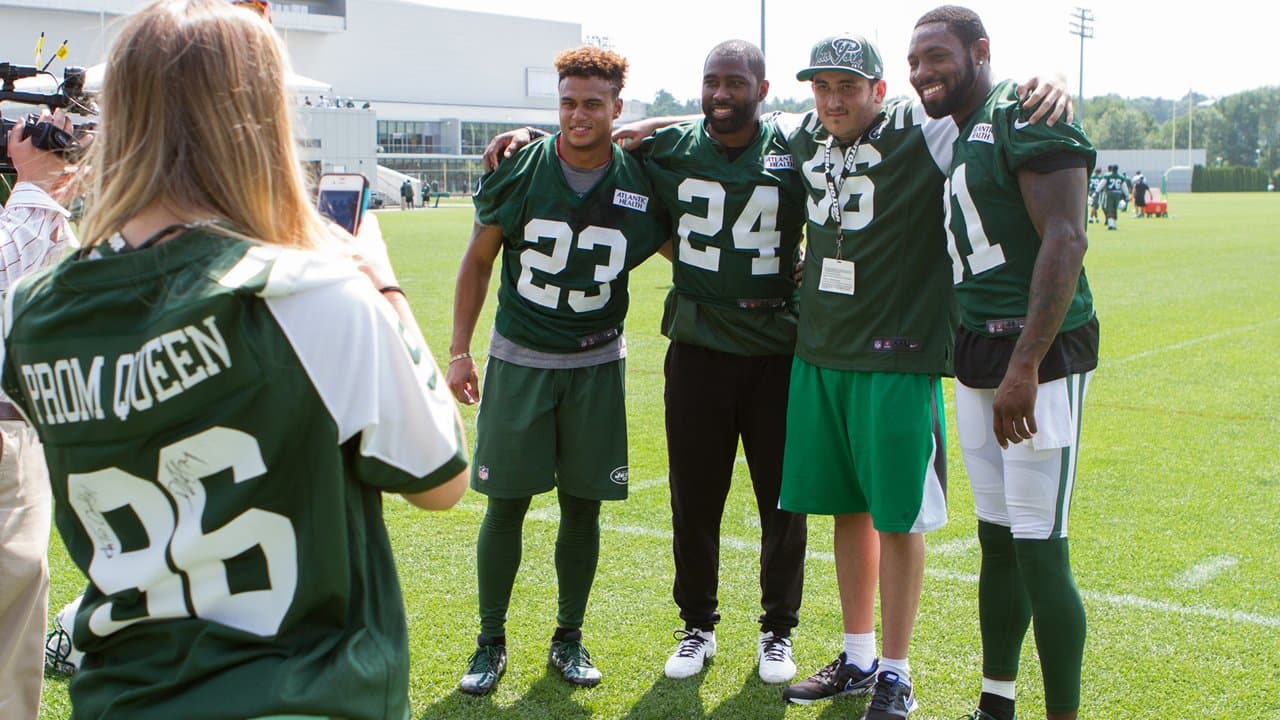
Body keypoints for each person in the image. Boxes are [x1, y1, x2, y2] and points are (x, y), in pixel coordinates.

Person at [0, 3, 469, 719]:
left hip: (125, 696)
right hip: (302, 695)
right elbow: (440, 479)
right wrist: (382, 282)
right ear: (260, 119)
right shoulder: (310, 295)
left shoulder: (32, 309)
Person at [446, 45, 666, 695]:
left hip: (597, 361)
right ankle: (490, 641)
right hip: (520, 360)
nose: (578, 115)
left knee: (583, 507)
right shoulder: (520, 167)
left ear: (617, 108)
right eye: (567, 102)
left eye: (593, 104)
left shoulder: (637, 176)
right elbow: (478, 261)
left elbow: (694, 141)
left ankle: (568, 637)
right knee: (506, 504)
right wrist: (459, 350)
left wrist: (643, 132)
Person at [909, 7, 1098, 720]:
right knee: (997, 538)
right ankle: (996, 703)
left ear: (981, 51)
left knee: (1041, 544)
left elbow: (1067, 238)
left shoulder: (1023, 111)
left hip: (1036, 356)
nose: (923, 71)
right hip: (977, 352)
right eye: (914, 61)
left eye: (936, 56)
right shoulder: (951, 129)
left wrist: (1026, 366)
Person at [0, 109, 77, 720]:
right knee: (13, 591)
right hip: (8, 429)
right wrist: (38, 183)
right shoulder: (29, 209)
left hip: (23, 422)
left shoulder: (38, 215)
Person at [1100, 163, 1129, 230]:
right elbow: (1124, 187)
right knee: (1115, 209)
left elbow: (1102, 184)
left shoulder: (1107, 176)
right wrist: (1127, 195)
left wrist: (1097, 191)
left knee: (1110, 208)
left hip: (1109, 193)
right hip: (1117, 194)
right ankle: (1114, 224)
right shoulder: (1121, 177)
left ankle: (1111, 224)